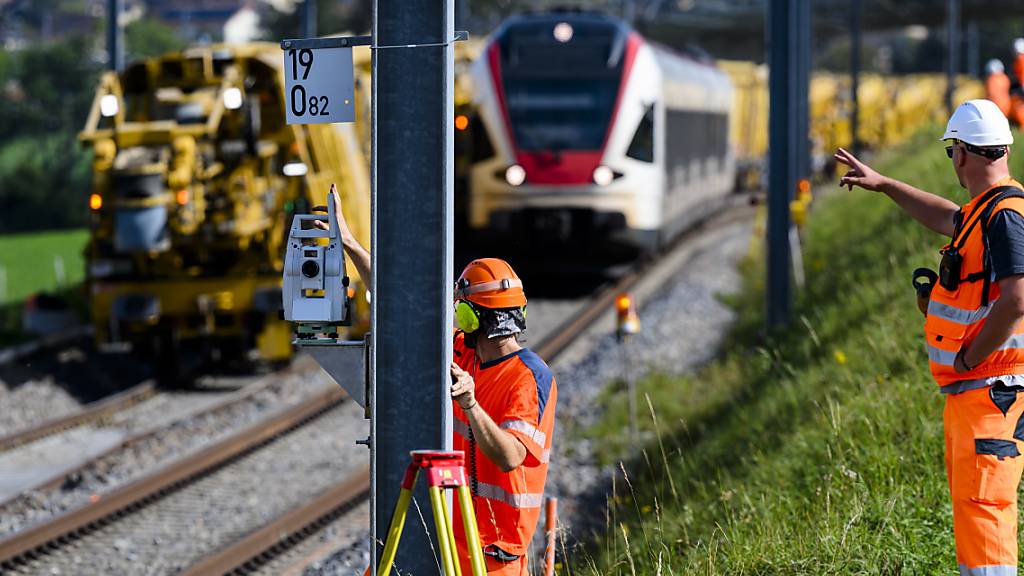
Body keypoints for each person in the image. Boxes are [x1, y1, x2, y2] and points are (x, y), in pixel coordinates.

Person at [317, 186, 557, 575]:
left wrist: (471, 404)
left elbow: (510, 457)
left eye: (461, 308)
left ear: (472, 318)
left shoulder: (528, 379)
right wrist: (348, 243)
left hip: (493, 559)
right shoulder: (464, 353)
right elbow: (402, 307)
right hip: (447, 539)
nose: (455, 315)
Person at [836, 99, 1024, 576]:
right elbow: (947, 217)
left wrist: (968, 359)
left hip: (990, 390)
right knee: (975, 511)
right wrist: (885, 185)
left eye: (951, 153)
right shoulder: (985, 211)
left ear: (962, 154)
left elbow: (1018, 299)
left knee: (986, 512)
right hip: (977, 394)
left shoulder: (1005, 216)